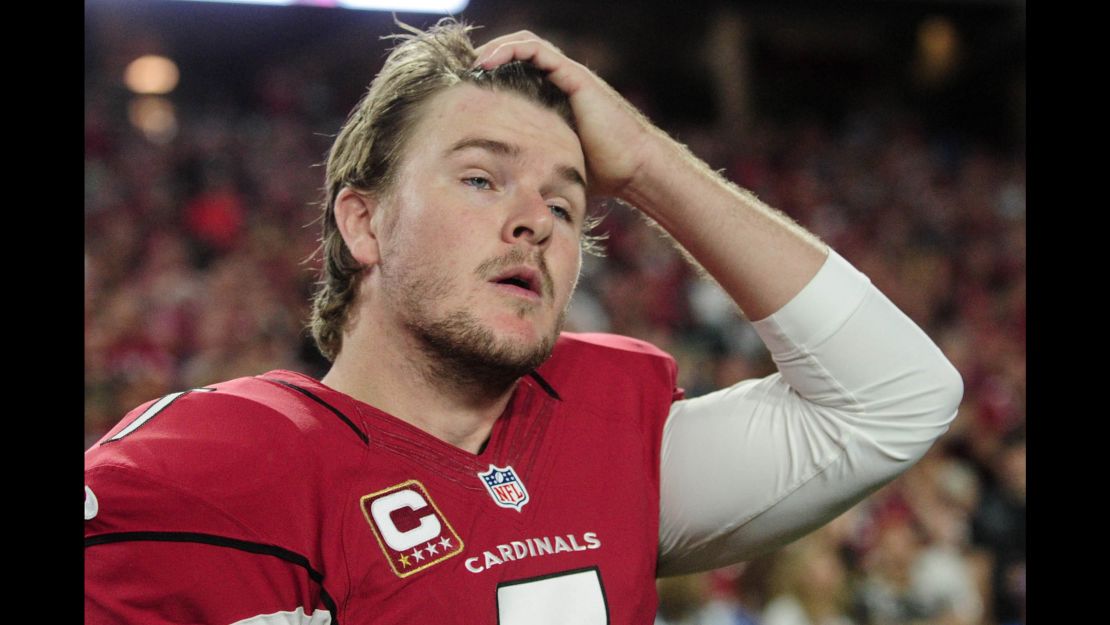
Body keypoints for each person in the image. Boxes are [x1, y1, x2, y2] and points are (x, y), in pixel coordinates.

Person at [84, 18, 963, 625]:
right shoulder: (209, 464)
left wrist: (652, 163)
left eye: (566, 201)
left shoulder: (605, 431)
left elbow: (898, 398)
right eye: (480, 177)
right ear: (365, 223)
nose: (535, 220)